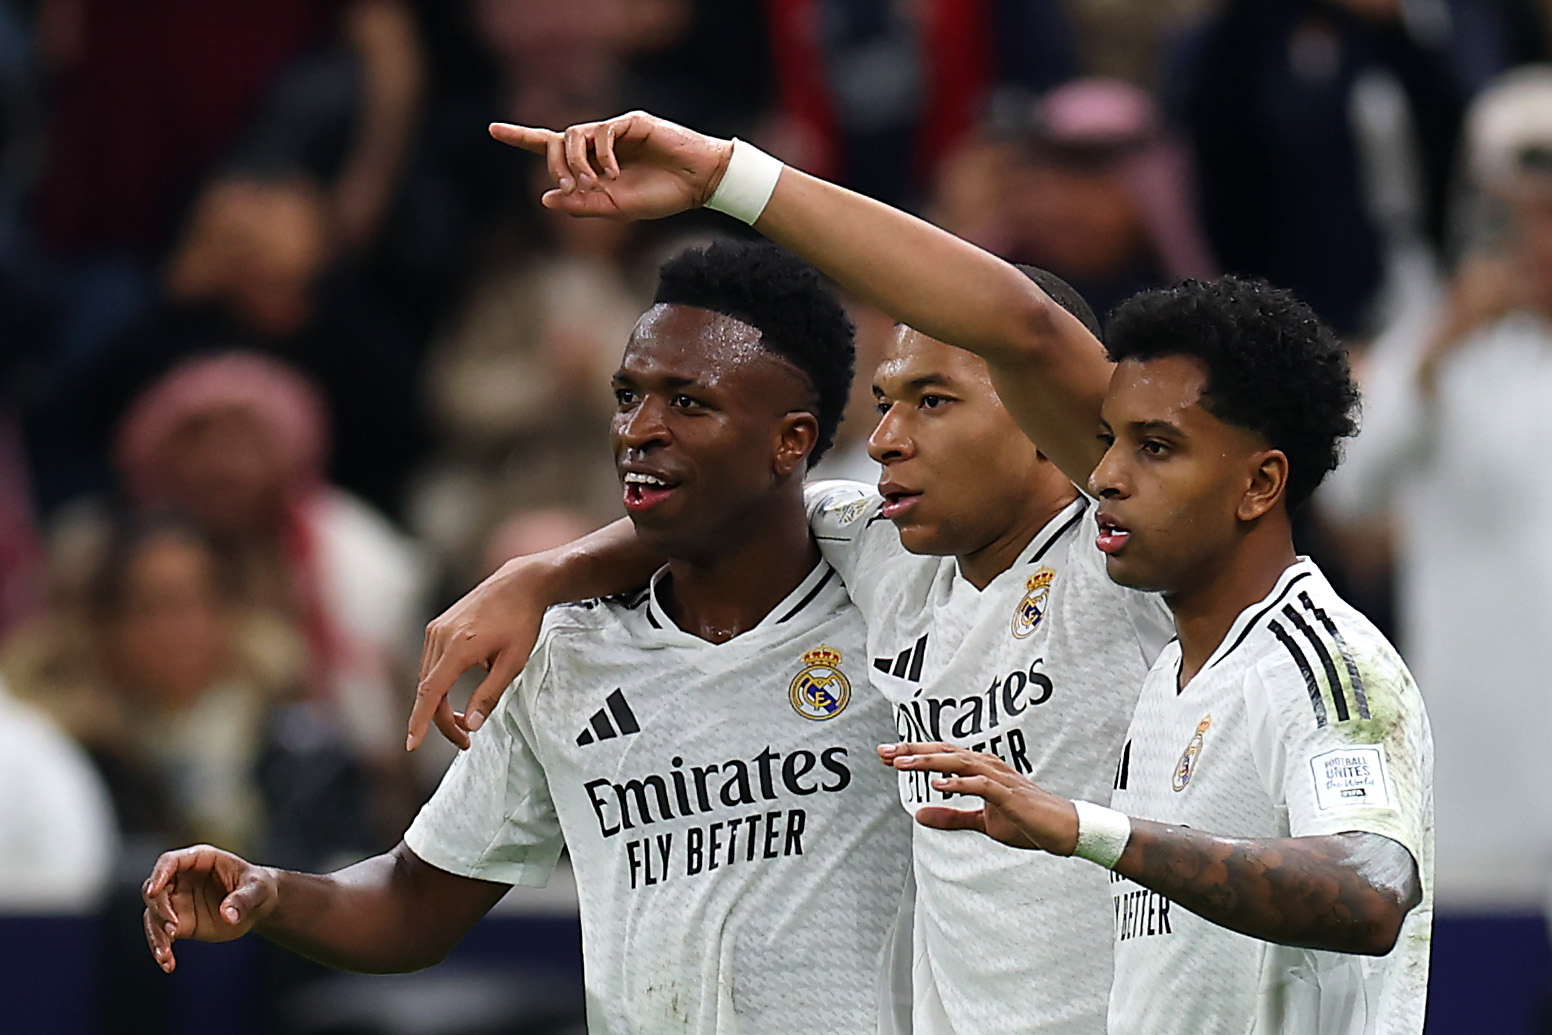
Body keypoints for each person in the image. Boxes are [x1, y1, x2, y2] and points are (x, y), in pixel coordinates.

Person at [420, 110, 1432, 1032]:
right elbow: (736, 505)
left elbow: (1370, 889)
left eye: (935, 401)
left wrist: (731, 178)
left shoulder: (1138, 570)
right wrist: (538, 576)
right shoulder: (890, 555)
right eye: (887, 401)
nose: (887, 438)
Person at [141, 239, 912, 1034]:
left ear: (792, 441)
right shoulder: (569, 655)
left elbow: (864, 488)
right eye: (627, 394)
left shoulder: (900, 599)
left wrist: (539, 571)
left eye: (689, 403)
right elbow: (414, 901)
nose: (639, 429)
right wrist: (271, 891)